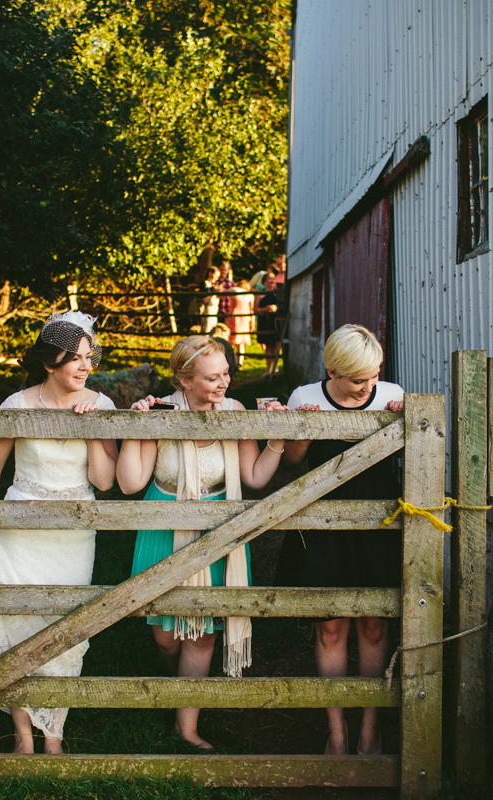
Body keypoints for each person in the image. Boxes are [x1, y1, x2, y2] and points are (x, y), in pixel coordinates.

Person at [0, 311, 119, 755]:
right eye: (75, 359)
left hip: (74, 534)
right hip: (20, 531)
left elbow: (104, 483)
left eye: (89, 357)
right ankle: (24, 737)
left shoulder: (100, 405)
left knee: (65, 630)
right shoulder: (17, 405)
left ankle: (55, 737)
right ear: (49, 363)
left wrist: (96, 430)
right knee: (16, 624)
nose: (85, 367)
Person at [116, 335, 288, 749]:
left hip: (218, 527)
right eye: (213, 377)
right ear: (184, 380)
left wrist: (278, 438)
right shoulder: (160, 412)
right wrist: (135, 427)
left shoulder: (235, 412)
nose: (224, 382)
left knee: (204, 632)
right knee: (166, 634)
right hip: (163, 524)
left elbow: (255, 478)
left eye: (226, 372)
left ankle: (186, 725)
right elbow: (129, 484)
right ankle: (177, 685)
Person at [276, 324, 405, 757]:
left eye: (372, 375)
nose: (366, 386)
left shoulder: (390, 392)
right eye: (356, 380)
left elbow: (407, 452)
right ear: (331, 370)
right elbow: (291, 462)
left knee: (374, 623)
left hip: (377, 521)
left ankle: (370, 728)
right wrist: (304, 428)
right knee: (330, 626)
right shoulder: (304, 396)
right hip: (323, 519)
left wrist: (404, 418)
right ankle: (336, 730)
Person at [255, 274, 281, 376]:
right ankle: (268, 369)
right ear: (264, 282)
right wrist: (265, 309)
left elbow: (283, 307)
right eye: (269, 279)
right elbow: (255, 310)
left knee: (276, 345)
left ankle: (276, 368)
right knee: (268, 346)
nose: (272, 281)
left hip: (275, 321)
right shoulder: (260, 294)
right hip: (265, 322)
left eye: (273, 279)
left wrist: (276, 308)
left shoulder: (278, 293)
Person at [225, 280, 255, 368]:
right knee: (240, 343)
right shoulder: (250, 296)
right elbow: (251, 310)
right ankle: (239, 363)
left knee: (231, 340)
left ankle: (231, 362)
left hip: (234, 317)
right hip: (245, 318)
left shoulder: (235, 292)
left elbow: (228, 291)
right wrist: (252, 323)